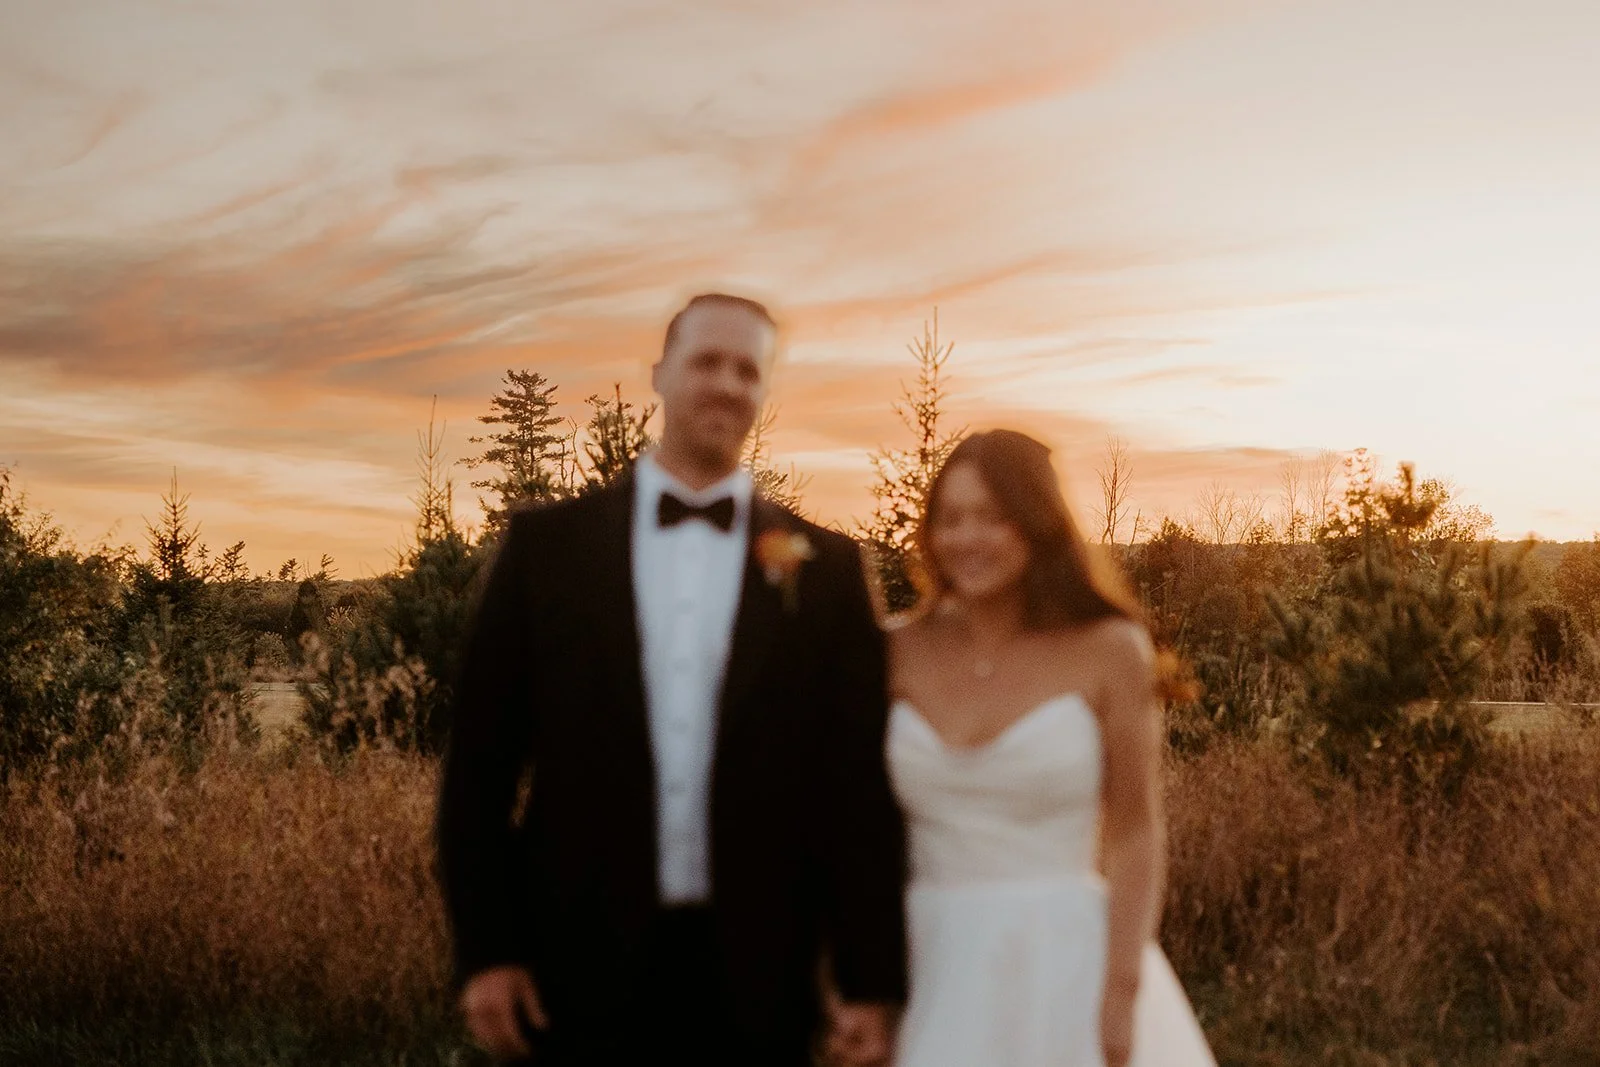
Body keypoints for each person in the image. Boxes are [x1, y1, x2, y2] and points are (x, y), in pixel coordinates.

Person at [434, 292, 907, 1066]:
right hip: (575, 965)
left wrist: (868, 978)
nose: (726, 382)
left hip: (765, 974)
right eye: (707, 360)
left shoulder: (828, 572)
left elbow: (856, 792)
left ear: (763, 391)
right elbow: (478, 771)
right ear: (660, 373)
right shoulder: (545, 549)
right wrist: (487, 950)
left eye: (747, 369)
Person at [886, 429, 1215, 1067]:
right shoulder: (895, 649)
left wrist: (1121, 989)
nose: (966, 538)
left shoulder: (1111, 649)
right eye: (950, 519)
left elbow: (1134, 831)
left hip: (1066, 966)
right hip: (926, 963)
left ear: (1037, 525)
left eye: (992, 518)